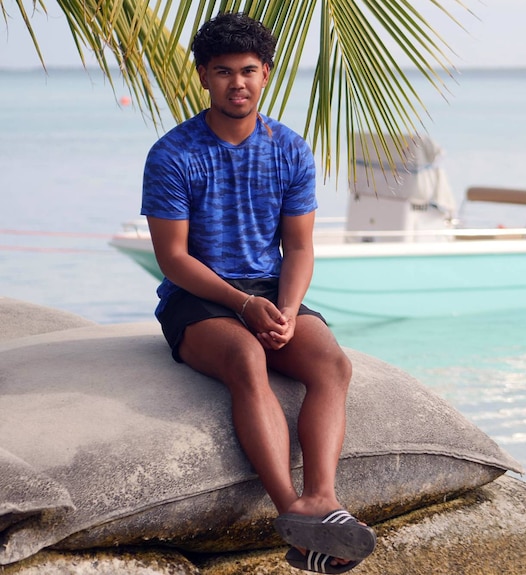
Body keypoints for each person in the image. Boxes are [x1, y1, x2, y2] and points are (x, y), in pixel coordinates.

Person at [140, 12, 375, 574]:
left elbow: (298, 248)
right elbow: (173, 258)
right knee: (248, 358)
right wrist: (243, 306)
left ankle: (322, 499)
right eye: (223, 72)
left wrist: (289, 312)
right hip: (195, 296)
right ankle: (291, 512)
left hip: (268, 290)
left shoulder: (290, 150)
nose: (236, 83)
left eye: (248, 71)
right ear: (203, 77)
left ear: (266, 74)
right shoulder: (173, 154)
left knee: (332, 364)